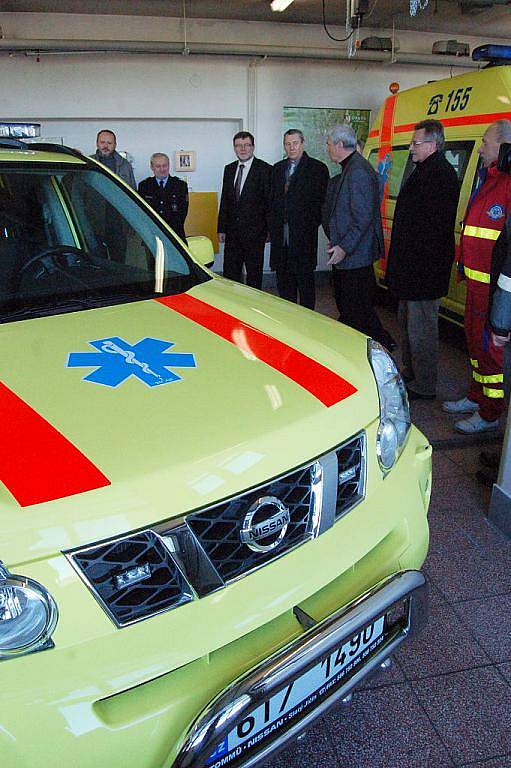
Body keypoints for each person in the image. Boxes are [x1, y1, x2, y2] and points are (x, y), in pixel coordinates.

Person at [443, 119, 511, 433]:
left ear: (504, 145)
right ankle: (475, 395)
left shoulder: (507, 182)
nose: (481, 148)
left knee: (490, 353)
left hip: (495, 291)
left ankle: (490, 412)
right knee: (474, 346)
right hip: (475, 286)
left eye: (485, 142)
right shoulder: (489, 178)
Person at [386, 119, 460, 400]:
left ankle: (425, 384)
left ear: (432, 144)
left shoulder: (440, 175)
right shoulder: (424, 171)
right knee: (407, 326)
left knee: (422, 331)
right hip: (412, 271)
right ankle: (412, 372)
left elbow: (429, 230)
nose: (412, 148)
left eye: (416, 143)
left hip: (424, 273)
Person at [322, 123, 395, 350]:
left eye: (329, 143)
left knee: (355, 309)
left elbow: (362, 217)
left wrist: (344, 246)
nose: (327, 148)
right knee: (353, 308)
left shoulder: (358, 171)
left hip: (355, 256)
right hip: (349, 255)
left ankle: (368, 352)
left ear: (340, 144)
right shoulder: (351, 167)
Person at [269, 129, 329, 310]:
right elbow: (272, 200)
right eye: (287, 144)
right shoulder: (277, 169)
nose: (291, 147)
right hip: (281, 237)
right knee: (284, 285)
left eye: (295, 143)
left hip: (303, 236)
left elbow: (322, 203)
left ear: (303, 144)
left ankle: (308, 325)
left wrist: (310, 224)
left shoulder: (318, 169)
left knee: (305, 285)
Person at [217, 132, 271, 289]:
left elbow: (269, 203)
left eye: (246, 145)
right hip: (232, 234)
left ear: (253, 147)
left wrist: (269, 231)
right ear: (234, 148)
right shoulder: (229, 169)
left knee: (254, 276)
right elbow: (225, 201)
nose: (243, 149)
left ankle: (253, 309)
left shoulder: (265, 169)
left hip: (255, 234)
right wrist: (221, 228)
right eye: (239, 145)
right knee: (230, 276)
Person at [138, 153, 188, 241]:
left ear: (169, 166)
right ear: (152, 167)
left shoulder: (180, 185)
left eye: (165, 165)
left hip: (175, 235)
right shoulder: (144, 186)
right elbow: (142, 212)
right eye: (158, 166)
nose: (162, 169)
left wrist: (167, 232)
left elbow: (182, 212)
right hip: (152, 235)